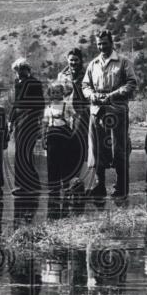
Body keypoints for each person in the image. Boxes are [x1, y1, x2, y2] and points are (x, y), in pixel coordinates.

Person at [82, 31, 137, 197]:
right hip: (97, 111)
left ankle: (121, 186)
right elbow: (85, 85)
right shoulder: (93, 64)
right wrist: (92, 95)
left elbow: (132, 83)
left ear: (111, 43)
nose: (102, 47)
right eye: (99, 44)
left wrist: (113, 95)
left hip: (117, 111)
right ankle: (100, 186)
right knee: (97, 148)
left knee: (118, 148)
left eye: (104, 43)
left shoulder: (123, 62)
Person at [8, 58, 44, 195]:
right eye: (16, 71)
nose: (17, 74)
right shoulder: (18, 83)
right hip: (19, 122)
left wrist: (39, 123)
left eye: (19, 70)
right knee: (20, 153)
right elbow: (16, 104)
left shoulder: (35, 83)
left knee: (25, 153)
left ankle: (30, 185)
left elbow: (40, 105)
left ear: (25, 70)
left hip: (30, 121)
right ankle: (25, 185)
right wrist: (11, 121)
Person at [57, 48, 89, 189]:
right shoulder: (62, 76)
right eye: (71, 60)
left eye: (76, 60)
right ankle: (66, 179)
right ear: (67, 60)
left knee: (79, 147)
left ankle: (77, 179)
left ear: (81, 60)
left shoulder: (88, 74)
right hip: (65, 114)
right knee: (64, 147)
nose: (73, 62)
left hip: (82, 114)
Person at [42, 82, 76, 195]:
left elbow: (76, 117)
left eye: (58, 92)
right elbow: (45, 124)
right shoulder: (48, 108)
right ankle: (53, 186)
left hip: (65, 135)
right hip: (51, 136)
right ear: (50, 94)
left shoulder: (67, 105)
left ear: (62, 93)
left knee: (65, 160)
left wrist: (74, 131)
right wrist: (43, 138)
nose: (55, 95)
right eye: (53, 92)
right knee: (52, 161)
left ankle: (66, 184)